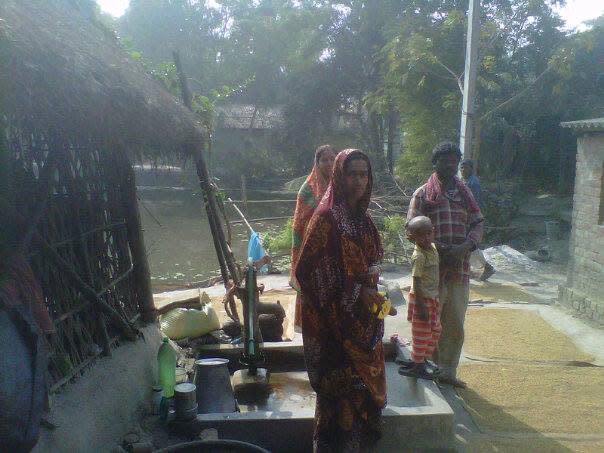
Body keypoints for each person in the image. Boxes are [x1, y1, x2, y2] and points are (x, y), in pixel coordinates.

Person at [296, 149, 389, 452]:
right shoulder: (326, 219)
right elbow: (306, 271)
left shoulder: (363, 219)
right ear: (339, 176)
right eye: (353, 174)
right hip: (335, 328)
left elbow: (373, 258)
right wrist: (353, 292)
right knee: (340, 401)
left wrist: (372, 279)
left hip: (365, 326)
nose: (359, 181)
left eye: (364, 174)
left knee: (363, 400)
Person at [407, 142, 484, 388]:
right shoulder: (423, 194)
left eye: (454, 160)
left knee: (454, 324)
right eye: (445, 160)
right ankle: (429, 371)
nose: (450, 164)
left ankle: (448, 372)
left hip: (459, 268)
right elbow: (411, 229)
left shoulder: (465, 193)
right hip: (432, 272)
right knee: (430, 323)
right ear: (435, 163)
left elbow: (478, 223)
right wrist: (439, 249)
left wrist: (466, 247)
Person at [290, 144, 337, 330]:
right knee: (311, 289)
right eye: (324, 160)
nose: (328, 164)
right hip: (311, 249)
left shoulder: (339, 185)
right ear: (316, 163)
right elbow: (299, 225)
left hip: (333, 247)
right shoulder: (307, 190)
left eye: (332, 159)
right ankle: (309, 330)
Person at [399, 216, 441, 380]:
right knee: (421, 333)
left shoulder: (433, 248)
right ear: (412, 238)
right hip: (422, 299)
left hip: (433, 297)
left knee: (436, 330)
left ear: (433, 231)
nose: (426, 238)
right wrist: (421, 306)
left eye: (429, 233)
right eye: (421, 235)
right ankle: (418, 365)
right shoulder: (419, 256)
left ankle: (420, 360)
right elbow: (416, 280)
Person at [460, 159, 496, 281]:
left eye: (466, 167)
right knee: (467, 245)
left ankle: (487, 267)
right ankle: (468, 269)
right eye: (461, 168)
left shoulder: (472, 184)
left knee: (470, 245)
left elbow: (472, 204)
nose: (463, 170)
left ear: (471, 169)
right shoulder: (466, 182)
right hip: (467, 218)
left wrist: (467, 220)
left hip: (470, 219)